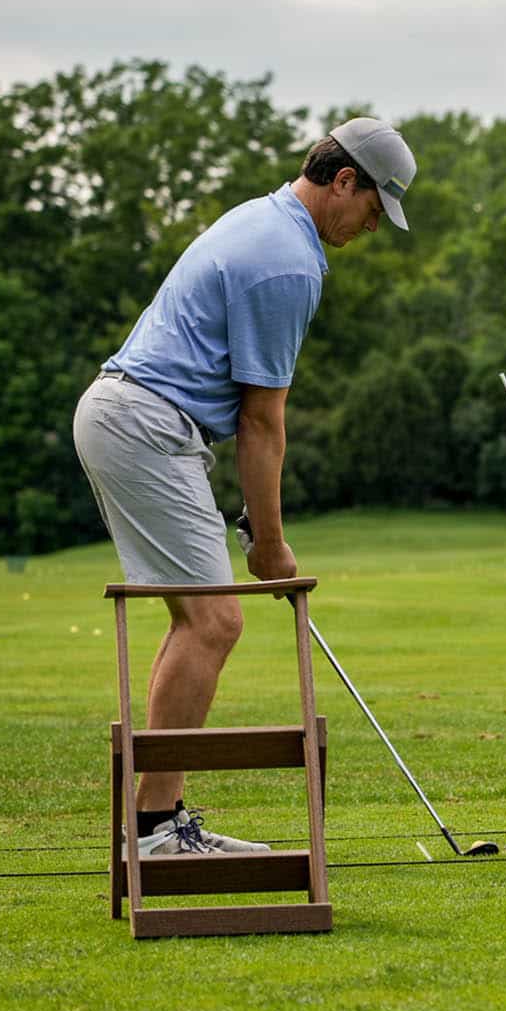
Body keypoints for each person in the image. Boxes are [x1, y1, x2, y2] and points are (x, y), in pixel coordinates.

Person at [73, 117, 416, 855]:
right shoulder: (289, 263)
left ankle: (154, 823)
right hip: (145, 424)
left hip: (134, 418)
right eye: (373, 208)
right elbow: (261, 421)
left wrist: (262, 534)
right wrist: (270, 544)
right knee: (216, 622)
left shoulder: (264, 219)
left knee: (198, 621)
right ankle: (155, 830)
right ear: (345, 182)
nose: (372, 227)